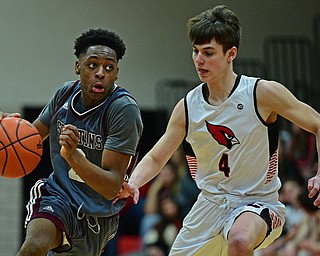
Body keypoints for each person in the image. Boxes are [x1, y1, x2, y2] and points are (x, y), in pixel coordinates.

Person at [115, 5, 320, 256]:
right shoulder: (188, 107)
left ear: (231, 53)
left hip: (257, 202)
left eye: (208, 53)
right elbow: (158, 156)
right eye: (196, 51)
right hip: (209, 204)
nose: (199, 60)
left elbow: (317, 124)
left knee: (240, 239)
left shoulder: (262, 94)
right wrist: (133, 182)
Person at [1, 28, 143, 256]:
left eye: (109, 67)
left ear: (116, 73)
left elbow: (111, 187)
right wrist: (8, 130)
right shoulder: (65, 94)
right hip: (59, 195)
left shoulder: (123, 110)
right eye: (92, 64)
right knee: (35, 246)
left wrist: (73, 156)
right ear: (78, 66)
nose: (100, 73)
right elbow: (31, 138)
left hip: (97, 215)